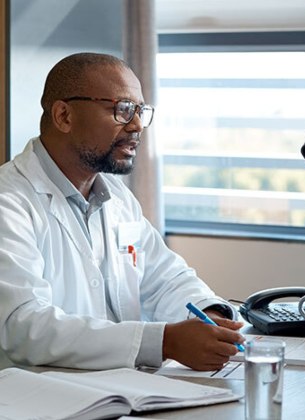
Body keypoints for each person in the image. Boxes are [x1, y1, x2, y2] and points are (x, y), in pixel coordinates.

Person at [0, 52, 244, 371]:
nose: (137, 125)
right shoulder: (10, 201)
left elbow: (165, 277)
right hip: (40, 402)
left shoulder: (116, 196)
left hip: (124, 392)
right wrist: (164, 342)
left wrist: (210, 314)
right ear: (63, 116)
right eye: (123, 109)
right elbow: (23, 325)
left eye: (140, 111)